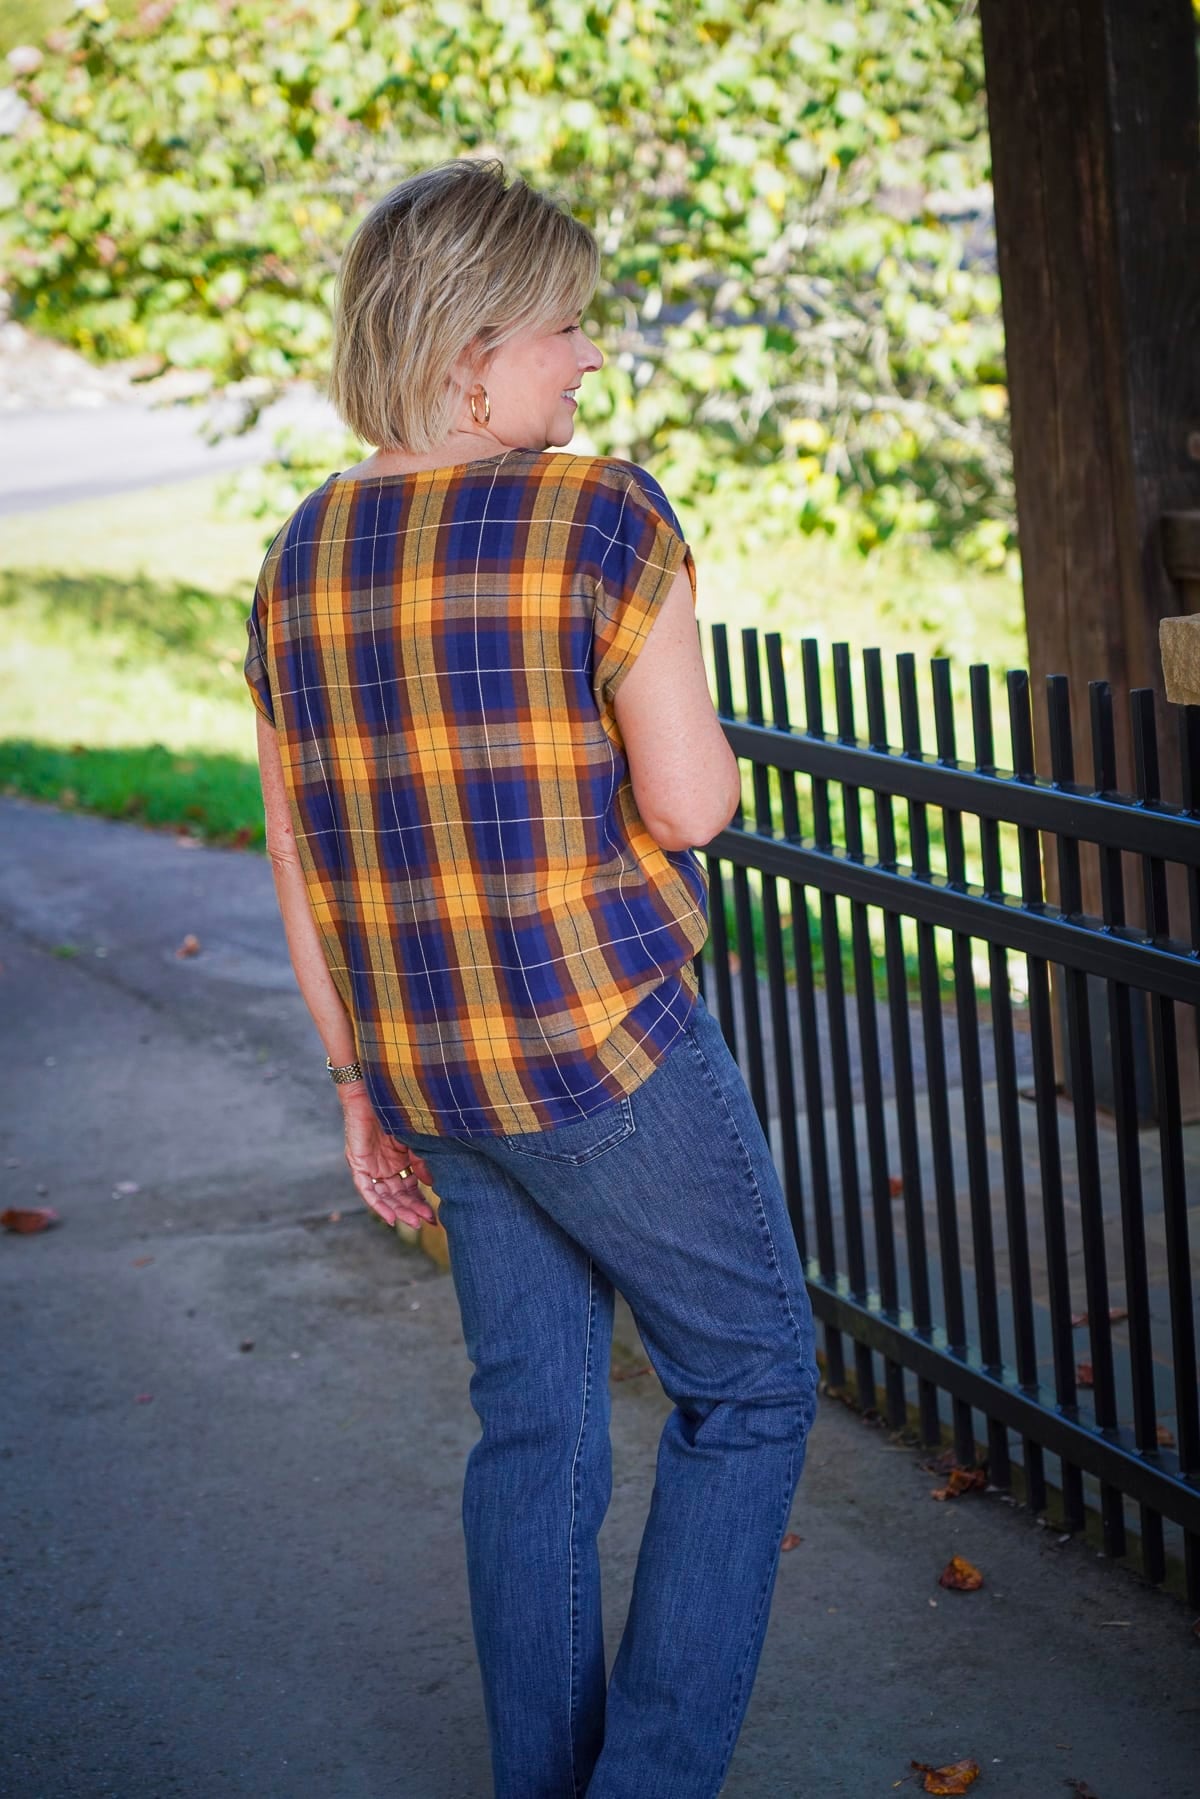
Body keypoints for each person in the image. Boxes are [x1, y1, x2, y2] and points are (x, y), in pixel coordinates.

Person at [244, 157, 819, 1799]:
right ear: (466, 346)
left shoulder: (302, 551)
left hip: (439, 1078)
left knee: (537, 1433)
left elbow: (301, 859)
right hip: (603, 1056)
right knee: (757, 1387)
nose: (586, 360)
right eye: (564, 324)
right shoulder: (601, 512)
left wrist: (361, 1085)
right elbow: (693, 804)